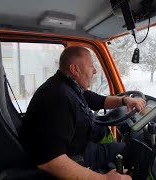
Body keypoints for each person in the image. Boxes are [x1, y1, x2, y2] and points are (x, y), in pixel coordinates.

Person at [20, 46, 146, 180]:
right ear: (75, 69)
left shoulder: (68, 86)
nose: (95, 71)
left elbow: (98, 100)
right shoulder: (59, 98)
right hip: (77, 158)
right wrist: (105, 179)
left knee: (121, 146)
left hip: (81, 145)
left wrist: (125, 100)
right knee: (130, 150)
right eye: (91, 66)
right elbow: (51, 161)